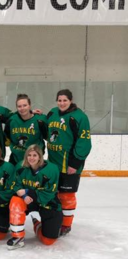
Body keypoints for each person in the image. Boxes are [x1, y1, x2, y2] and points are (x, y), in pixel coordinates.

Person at [46, 89, 92, 236]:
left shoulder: (79, 117)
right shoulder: (52, 113)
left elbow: (84, 142)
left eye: (65, 100)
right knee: (54, 194)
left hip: (69, 166)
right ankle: (56, 220)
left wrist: (75, 163)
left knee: (67, 196)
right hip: (53, 164)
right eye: (59, 100)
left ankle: (66, 224)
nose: (62, 103)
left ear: (70, 100)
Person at [7, 145, 63, 249]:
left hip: (48, 202)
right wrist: (23, 195)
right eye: (29, 155)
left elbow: (48, 193)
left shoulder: (51, 169)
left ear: (40, 157)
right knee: (15, 201)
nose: (31, 158)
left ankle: (37, 223)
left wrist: (27, 191)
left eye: (34, 155)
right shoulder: (20, 167)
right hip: (28, 200)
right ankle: (17, 237)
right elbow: (16, 186)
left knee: (48, 240)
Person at [4, 94, 47, 166]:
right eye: (19, 106)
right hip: (16, 159)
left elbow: (46, 136)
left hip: (35, 159)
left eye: (25, 105)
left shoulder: (40, 120)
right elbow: (7, 137)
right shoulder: (11, 121)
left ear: (30, 106)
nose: (22, 108)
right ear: (16, 108)